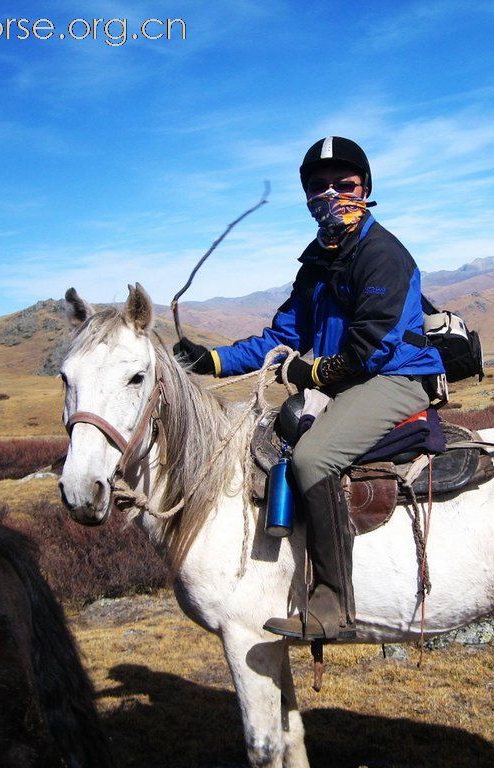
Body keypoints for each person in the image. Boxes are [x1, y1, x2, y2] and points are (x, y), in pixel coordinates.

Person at [173, 136, 444, 640]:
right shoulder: (317, 263)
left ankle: (333, 604)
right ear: (306, 199)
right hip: (353, 381)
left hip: (396, 379)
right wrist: (211, 360)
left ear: (366, 190)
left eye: (345, 185)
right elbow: (281, 338)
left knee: (312, 458)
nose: (332, 196)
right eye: (319, 188)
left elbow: (371, 349)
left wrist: (310, 374)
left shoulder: (383, 253)